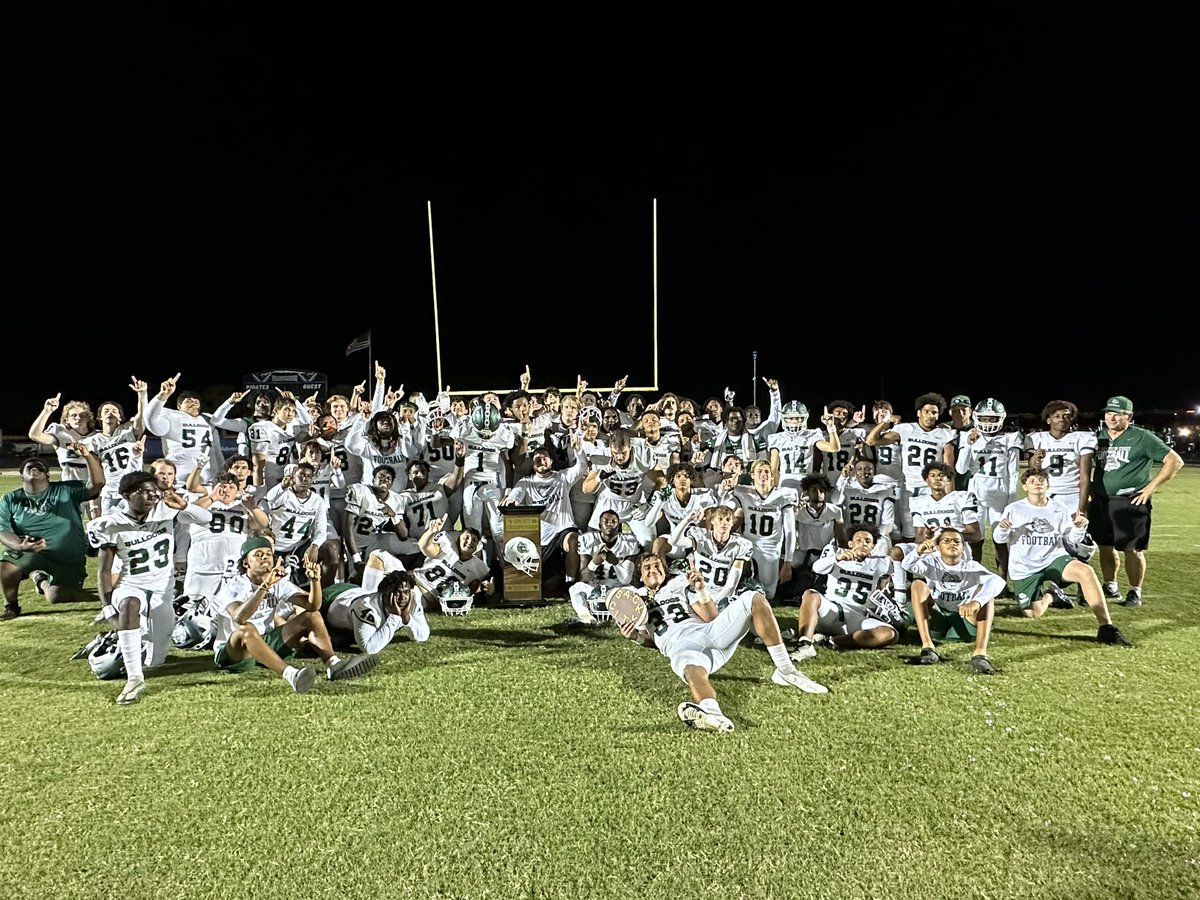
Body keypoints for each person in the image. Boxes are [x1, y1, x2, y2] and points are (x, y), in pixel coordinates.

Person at [617, 554, 827, 735]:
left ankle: (785, 670)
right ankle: (714, 715)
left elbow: (710, 616)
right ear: (640, 575)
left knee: (753, 598)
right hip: (679, 648)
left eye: (657, 566)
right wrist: (635, 636)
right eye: (647, 567)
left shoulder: (678, 585)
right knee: (691, 670)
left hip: (709, 632)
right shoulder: (634, 599)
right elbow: (652, 641)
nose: (653, 570)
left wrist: (700, 589)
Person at [87, 470, 213, 704]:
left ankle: (116, 640)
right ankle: (134, 679)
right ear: (127, 495)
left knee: (156, 659)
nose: (152, 496)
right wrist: (108, 609)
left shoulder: (165, 511)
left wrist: (184, 505)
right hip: (130, 584)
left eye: (154, 491)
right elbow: (104, 571)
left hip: (162, 591)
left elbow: (206, 519)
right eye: (145, 492)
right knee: (130, 604)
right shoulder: (110, 524)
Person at [210, 537, 378, 693]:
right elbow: (240, 618)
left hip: (266, 642)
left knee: (311, 616)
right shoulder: (233, 586)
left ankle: (333, 665)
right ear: (246, 563)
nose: (265, 558)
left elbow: (313, 605)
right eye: (258, 555)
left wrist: (314, 581)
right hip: (236, 653)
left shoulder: (278, 582)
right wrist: (265, 586)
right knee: (246, 629)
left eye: (269, 554)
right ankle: (291, 675)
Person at [993, 469, 1133, 646]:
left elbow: (1071, 539)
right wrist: (1003, 529)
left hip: (1054, 558)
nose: (1038, 483)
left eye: (1041, 480)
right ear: (1025, 486)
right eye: (1032, 481)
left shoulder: (1058, 508)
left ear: (1048, 484)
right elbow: (998, 539)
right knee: (1033, 613)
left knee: (1086, 571)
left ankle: (1106, 628)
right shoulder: (1014, 509)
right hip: (1025, 567)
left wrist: (1079, 527)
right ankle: (1052, 594)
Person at [1087, 395, 1183, 608]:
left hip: (1130, 501)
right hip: (1102, 501)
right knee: (1104, 546)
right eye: (1109, 412)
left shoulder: (1142, 437)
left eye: (1118, 413)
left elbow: (1175, 461)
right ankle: (1110, 585)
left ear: (1129, 416)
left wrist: (1150, 488)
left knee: (1132, 549)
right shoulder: (1099, 436)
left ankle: (1134, 591)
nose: (1112, 417)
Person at [0, 447, 105, 619]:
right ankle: (11, 606)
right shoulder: (10, 499)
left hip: (67, 556)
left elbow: (97, 484)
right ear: (22, 476)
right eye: (30, 467)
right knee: (6, 561)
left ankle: (40, 579)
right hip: (30, 552)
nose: (35, 468)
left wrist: (87, 456)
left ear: (48, 475)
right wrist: (20, 545)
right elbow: (3, 530)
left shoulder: (66, 490)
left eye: (40, 467)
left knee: (57, 597)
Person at [902, 528, 1004, 675]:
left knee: (987, 595)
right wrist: (918, 551)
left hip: (964, 619)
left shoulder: (970, 566)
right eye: (946, 540)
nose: (952, 544)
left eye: (957, 541)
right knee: (918, 585)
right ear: (937, 546)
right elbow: (907, 565)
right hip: (939, 619)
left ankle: (980, 654)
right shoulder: (931, 562)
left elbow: (998, 582)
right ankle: (928, 647)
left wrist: (976, 602)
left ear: (963, 548)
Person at [790, 525, 899, 661]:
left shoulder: (882, 562)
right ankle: (805, 644)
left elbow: (892, 582)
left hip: (857, 616)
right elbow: (816, 568)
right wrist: (836, 558)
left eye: (867, 541)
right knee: (810, 595)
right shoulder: (836, 553)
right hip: (831, 610)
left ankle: (832, 640)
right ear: (850, 543)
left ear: (873, 546)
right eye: (858, 540)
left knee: (889, 634)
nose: (862, 544)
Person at [500, 435, 590, 595]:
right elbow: (515, 495)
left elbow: (582, 467)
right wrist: (511, 500)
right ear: (532, 463)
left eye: (545, 458)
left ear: (551, 461)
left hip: (562, 534)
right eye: (537, 458)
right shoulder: (526, 482)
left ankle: (569, 586)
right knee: (545, 588)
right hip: (538, 541)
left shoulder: (562, 477)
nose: (542, 461)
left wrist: (579, 451)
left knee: (574, 540)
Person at [864, 393, 957, 540]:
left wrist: (950, 497)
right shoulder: (906, 429)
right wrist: (885, 421)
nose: (930, 415)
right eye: (926, 411)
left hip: (930, 487)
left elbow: (948, 469)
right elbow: (871, 441)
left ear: (938, 415)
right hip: (907, 486)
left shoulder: (945, 434)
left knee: (931, 530)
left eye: (934, 412)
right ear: (919, 412)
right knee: (908, 531)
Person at [955, 398, 1022, 580]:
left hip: (999, 495)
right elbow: (961, 469)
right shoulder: (968, 436)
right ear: (977, 418)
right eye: (984, 418)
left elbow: (1014, 473)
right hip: (975, 492)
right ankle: (974, 578)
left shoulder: (1010, 438)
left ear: (1000, 419)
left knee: (1000, 540)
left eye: (992, 419)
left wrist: (1011, 501)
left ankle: (1002, 581)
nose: (988, 422)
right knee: (975, 539)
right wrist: (968, 445)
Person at [258, 461, 341, 587]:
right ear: (293, 477)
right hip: (276, 548)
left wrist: (314, 546)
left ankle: (325, 592)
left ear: (313, 479)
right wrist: (282, 486)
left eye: (309, 476)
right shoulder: (284, 494)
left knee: (332, 549)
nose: (305, 479)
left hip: (300, 548)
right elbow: (269, 500)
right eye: (301, 475)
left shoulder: (318, 501)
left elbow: (321, 530)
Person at [144, 373, 227, 489]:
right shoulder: (172, 415)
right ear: (179, 406)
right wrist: (162, 395)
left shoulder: (208, 419)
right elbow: (150, 421)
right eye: (188, 401)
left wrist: (223, 472)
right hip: (178, 480)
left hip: (207, 479)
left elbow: (216, 449)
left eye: (196, 401)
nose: (193, 402)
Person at [730, 459, 798, 601]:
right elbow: (726, 506)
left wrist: (787, 562)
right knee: (737, 584)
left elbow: (790, 530)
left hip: (770, 548)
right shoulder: (743, 492)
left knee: (768, 593)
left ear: (773, 476)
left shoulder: (784, 495)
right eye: (759, 471)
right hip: (747, 544)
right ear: (752, 475)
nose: (763, 475)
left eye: (767, 471)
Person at [321, 569, 430, 652]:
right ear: (385, 593)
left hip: (356, 591)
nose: (403, 597)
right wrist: (395, 617)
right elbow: (369, 648)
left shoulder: (412, 600)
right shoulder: (365, 607)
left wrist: (407, 619)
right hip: (331, 598)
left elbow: (423, 635)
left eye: (406, 592)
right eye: (397, 592)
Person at [568, 509, 642, 624]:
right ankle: (586, 617)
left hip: (619, 586)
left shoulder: (628, 542)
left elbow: (626, 579)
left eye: (614, 521)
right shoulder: (588, 540)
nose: (609, 524)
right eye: (606, 521)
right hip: (595, 586)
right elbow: (583, 578)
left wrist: (615, 562)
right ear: (599, 525)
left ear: (619, 526)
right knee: (575, 589)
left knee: (639, 591)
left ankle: (626, 614)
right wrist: (594, 562)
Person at [1024, 400, 1096, 517]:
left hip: (1073, 494)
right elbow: (1032, 471)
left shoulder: (1081, 439)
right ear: (1048, 420)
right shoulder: (1037, 439)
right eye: (1056, 416)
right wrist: (1036, 459)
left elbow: (1085, 476)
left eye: (1066, 416)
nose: (1062, 419)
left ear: (1071, 419)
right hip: (1047, 494)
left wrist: (1081, 509)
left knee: (1076, 533)